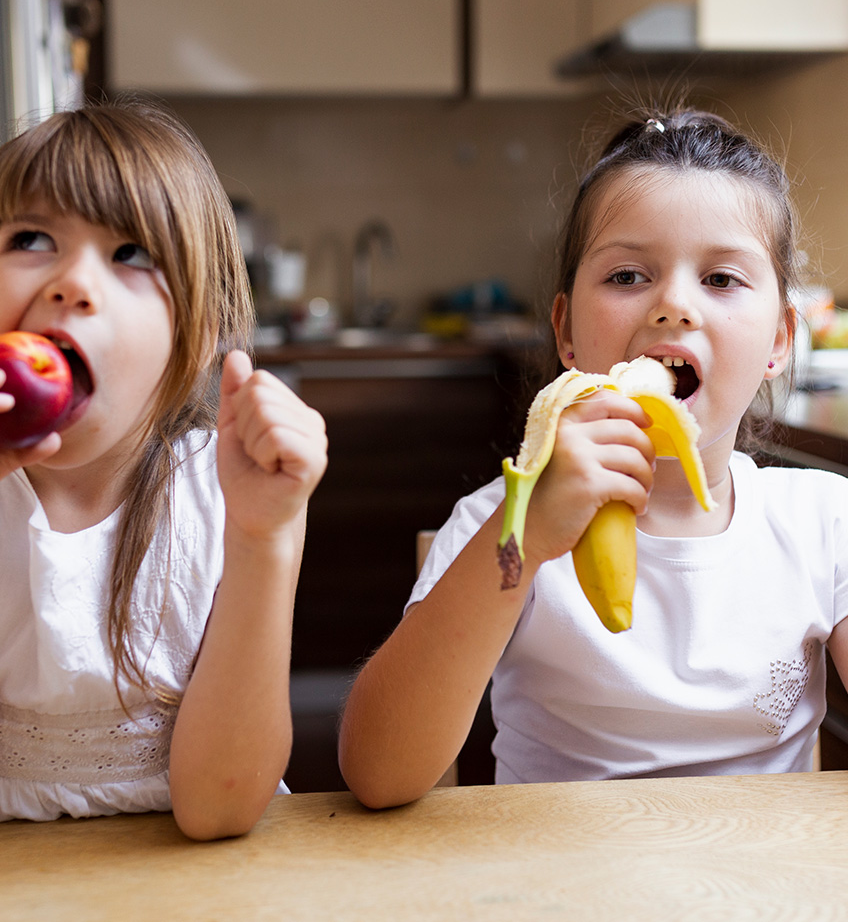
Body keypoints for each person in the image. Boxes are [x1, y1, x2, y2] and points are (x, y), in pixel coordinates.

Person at [338, 107, 848, 808]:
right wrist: (524, 537)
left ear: (781, 340)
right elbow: (377, 772)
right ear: (566, 332)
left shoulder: (824, 527)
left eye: (722, 280)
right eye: (629, 276)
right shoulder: (501, 522)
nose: (674, 305)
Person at [0, 100, 328, 848]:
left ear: (201, 331)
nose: (73, 282)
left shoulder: (227, 489)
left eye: (134, 255)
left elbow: (219, 810)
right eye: (33, 239)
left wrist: (266, 540)